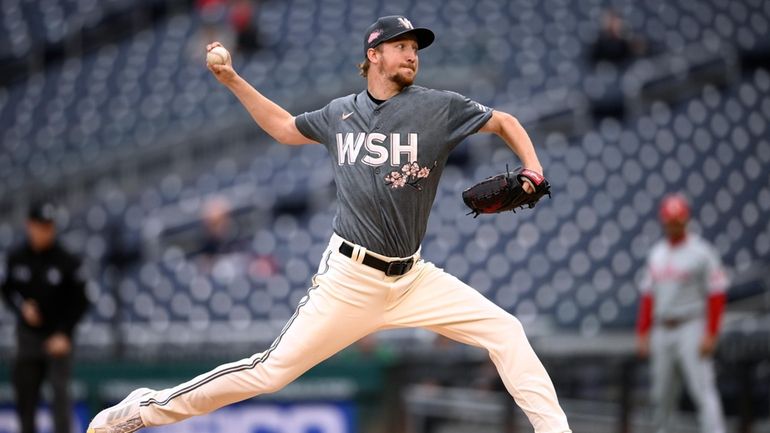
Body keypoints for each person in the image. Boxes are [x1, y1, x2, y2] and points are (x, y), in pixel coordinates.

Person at [87, 15, 571, 433]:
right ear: (374, 54)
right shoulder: (340, 113)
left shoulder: (437, 107)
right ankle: (142, 410)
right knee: (268, 373)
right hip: (350, 279)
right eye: (401, 47)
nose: (412, 55)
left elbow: (504, 120)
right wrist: (233, 79)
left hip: (413, 276)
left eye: (415, 48)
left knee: (505, 330)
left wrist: (532, 167)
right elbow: (282, 127)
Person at [636, 194, 728, 433]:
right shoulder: (657, 254)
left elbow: (716, 293)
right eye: (670, 220)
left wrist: (712, 333)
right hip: (662, 328)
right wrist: (643, 332)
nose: (674, 224)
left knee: (702, 390)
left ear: (685, 220)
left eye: (678, 220)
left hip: (691, 325)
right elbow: (648, 296)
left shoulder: (701, 252)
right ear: (664, 221)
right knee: (661, 394)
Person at [1, 201, 90, 433]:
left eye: (49, 226)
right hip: (28, 337)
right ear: (30, 225)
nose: (46, 231)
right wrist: (21, 308)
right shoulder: (17, 257)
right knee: (25, 397)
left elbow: (81, 301)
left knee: (60, 397)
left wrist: (65, 333)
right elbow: (7, 290)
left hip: (57, 337)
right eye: (41, 225)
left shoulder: (66, 260)